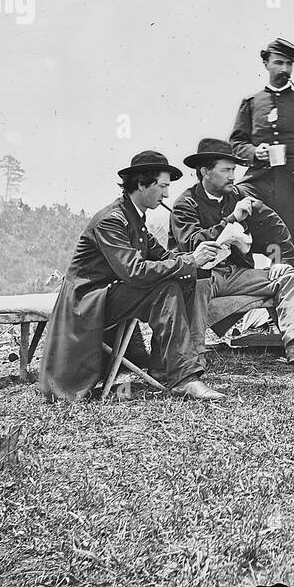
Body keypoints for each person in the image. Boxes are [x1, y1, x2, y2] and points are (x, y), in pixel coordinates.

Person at [38, 150, 224, 402]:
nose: (167, 194)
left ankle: (163, 368)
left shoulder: (134, 218)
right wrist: (190, 261)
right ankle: (184, 378)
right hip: (87, 301)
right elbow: (134, 271)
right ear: (140, 184)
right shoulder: (112, 220)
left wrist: (196, 258)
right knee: (165, 290)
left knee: (186, 280)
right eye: (162, 186)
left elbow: (162, 257)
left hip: (110, 293)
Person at [170, 138, 294, 365]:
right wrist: (232, 219)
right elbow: (190, 245)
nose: (232, 176)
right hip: (203, 278)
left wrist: (279, 260)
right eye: (226, 170)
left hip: (236, 274)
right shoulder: (185, 204)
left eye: (234, 170)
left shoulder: (239, 196)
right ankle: (193, 357)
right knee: (198, 281)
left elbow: (274, 229)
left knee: (293, 277)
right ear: (205, 172)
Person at [230, 37, 294, 269]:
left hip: (292, 186)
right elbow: (235, 144)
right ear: (266, 63)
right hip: (259, 183)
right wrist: (255, 152)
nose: (284, 69)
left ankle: (284, 292)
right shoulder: (252, 103)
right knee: (244, 229)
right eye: (278, 62)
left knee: (286, 249)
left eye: (289, 64)